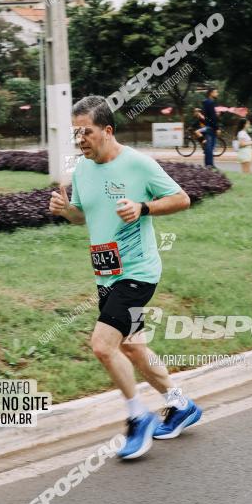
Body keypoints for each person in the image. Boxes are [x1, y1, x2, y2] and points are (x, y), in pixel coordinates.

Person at [49, 95, 202, 460]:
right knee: (132, 346)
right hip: (106, 274)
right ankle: (180, 405)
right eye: (75, 133)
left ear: (107, 130)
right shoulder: (84, 169)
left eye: (86, 132)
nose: (80, 140)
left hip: (138, 272)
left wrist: (143, 207)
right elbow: (84, 216)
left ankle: (139, 417)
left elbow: (181, 199)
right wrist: (66, 210)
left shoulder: (138, 165)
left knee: (103, 346)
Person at [202, 86, 219, 169]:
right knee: (210, 147)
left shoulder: (205, 102)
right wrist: (217, 128)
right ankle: (210, 164)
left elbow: (207, 116)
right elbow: (212, 117)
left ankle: (208, 164)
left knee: (208, 146)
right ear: (211, 93)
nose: (217, 94)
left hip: (207, 126)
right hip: (211, 127)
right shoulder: (211, 102)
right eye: (216, 92)